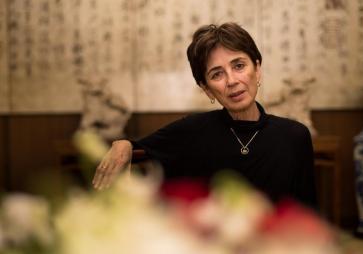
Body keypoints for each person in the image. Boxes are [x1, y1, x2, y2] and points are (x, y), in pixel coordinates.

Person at [92, 22, 317, 208]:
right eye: (217, 74)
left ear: (257, 69)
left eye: (239, 66)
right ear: (206, 88)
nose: (231, 81)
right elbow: (142, 148)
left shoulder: (294, 136)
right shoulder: (192, 131)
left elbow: (308, 215)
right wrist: (123, 144)